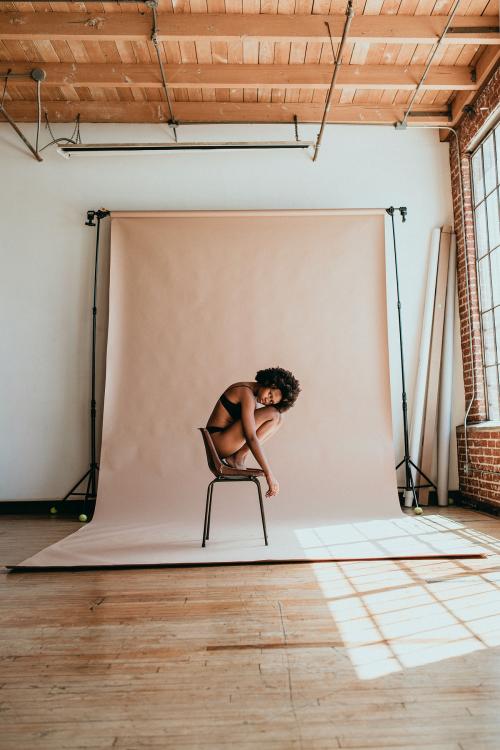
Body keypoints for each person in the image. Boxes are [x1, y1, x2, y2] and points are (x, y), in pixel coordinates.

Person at [206, 367, 300, 498]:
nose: (267, 400)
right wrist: (269, 474)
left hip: (221, 440)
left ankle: (237, 456)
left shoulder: (249, 394)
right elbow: (251, 437)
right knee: (274, 415)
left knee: (277, 417)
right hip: (218, 441)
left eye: (271, 401)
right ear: (269, 383)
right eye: (270, 394)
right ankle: (236, 457)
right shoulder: (246, 393)